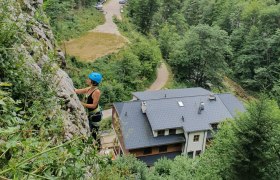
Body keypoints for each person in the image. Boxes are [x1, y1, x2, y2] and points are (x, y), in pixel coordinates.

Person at [74, 72, 102, 142]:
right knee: (90, 130)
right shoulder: (89, 89)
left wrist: (81, 104)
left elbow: (93, 106)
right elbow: (78, 91)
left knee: (94, 132)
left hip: (95, 115)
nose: (87, 80)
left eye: (89, 79)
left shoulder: (96, 92)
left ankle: (97, 147)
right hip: (91, 114)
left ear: (93, 81)